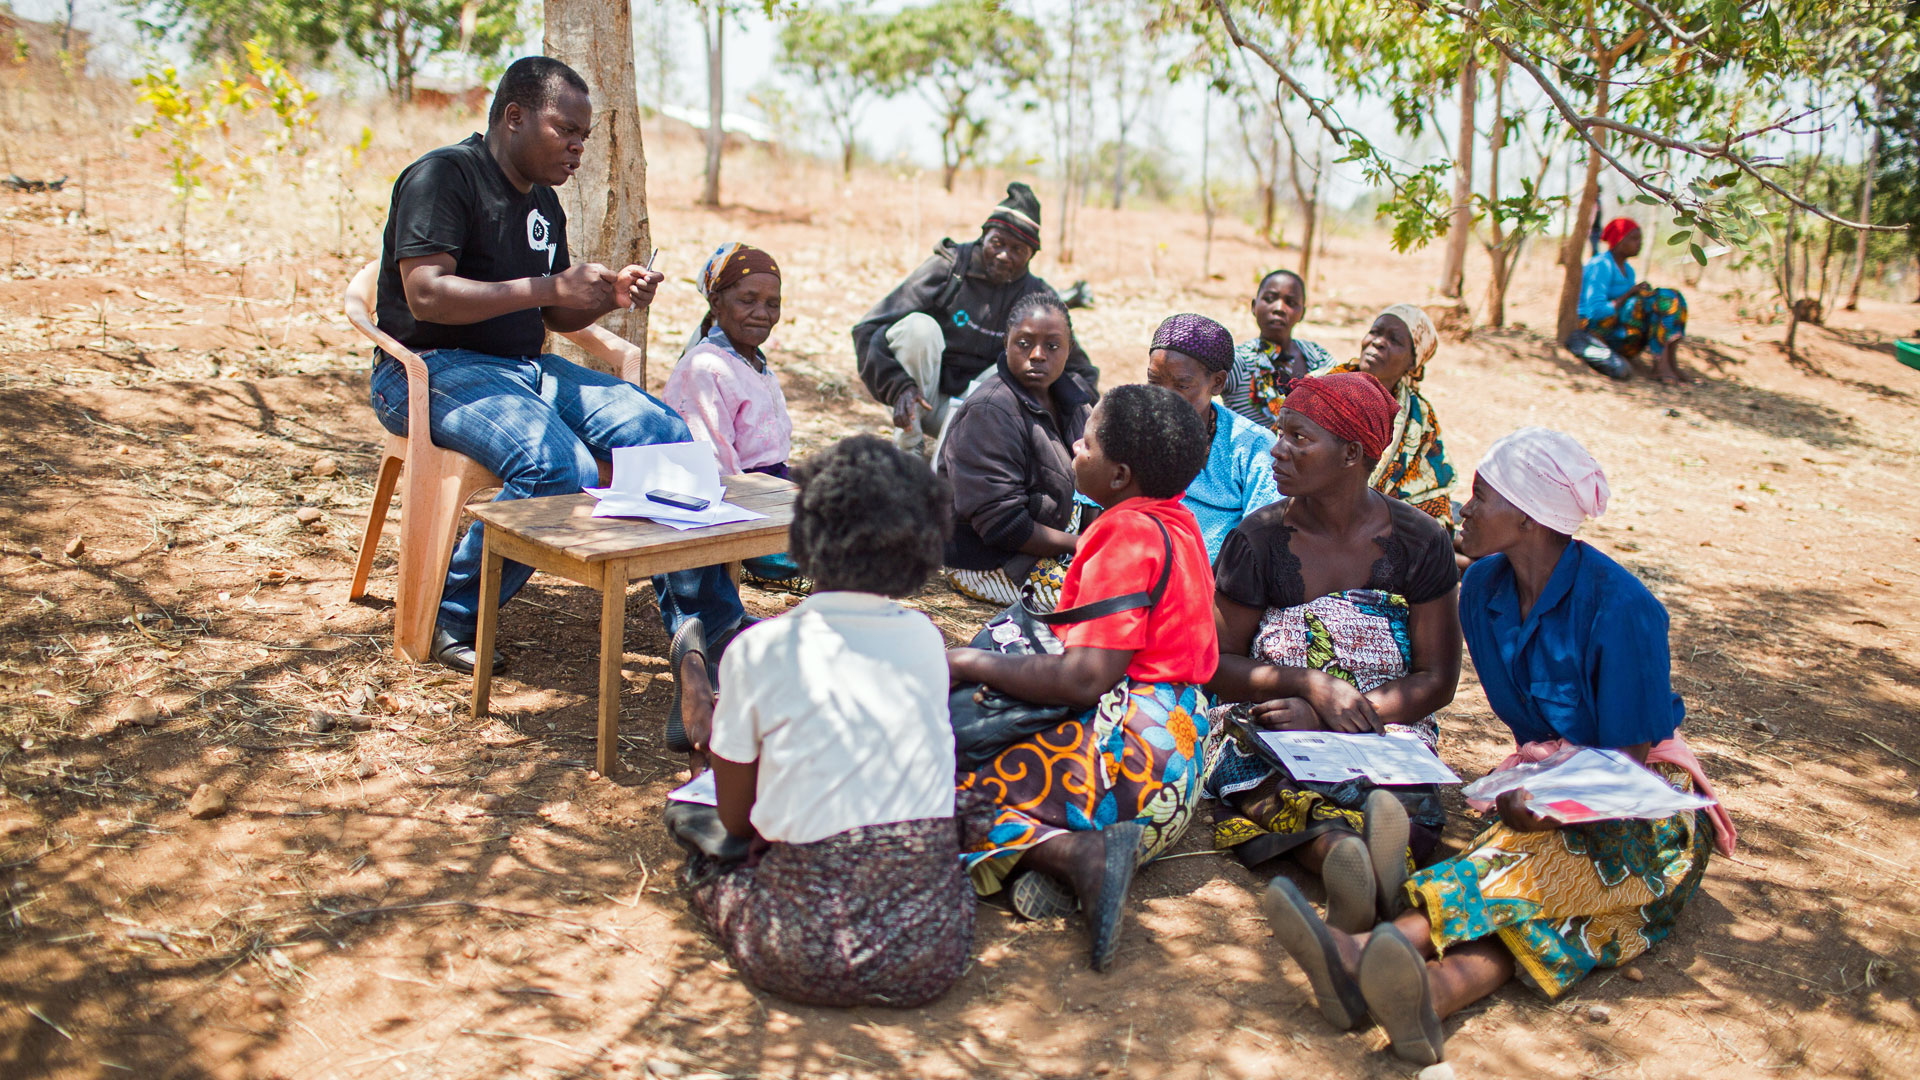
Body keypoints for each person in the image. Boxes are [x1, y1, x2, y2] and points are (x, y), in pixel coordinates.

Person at [1262, 428, 1735, 1066]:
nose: (1464, 507)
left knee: (1545, 858)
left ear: (1530, 519)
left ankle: (1364, 955)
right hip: (1551, 787)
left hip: (1642, 804)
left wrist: (1543, 799)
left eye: (1482, 498)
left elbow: (1625, 764)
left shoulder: (1623, 610)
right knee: (1552, 891)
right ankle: (1429, 994)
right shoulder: (1484, 591)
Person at [368, 56, 751, 673]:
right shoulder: (443, 177)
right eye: (565, 130)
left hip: (524, 369)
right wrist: (550, 288)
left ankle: (710, 624)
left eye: (584, 136)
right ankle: (447, 613)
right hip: (428, 368)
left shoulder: (544, 201)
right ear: (513, 117)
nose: (577, 147)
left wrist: (604, 296)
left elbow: (555, 315)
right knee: (555, 465)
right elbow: (427, 293)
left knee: (665, 436)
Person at [660, 435, 975, 1008]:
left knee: (697, 831)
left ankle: (698, 702)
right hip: (932, 954)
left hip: (798, 953)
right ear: (921, 549)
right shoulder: (926, 640)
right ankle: (700, 701)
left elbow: (737, 819)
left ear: (804, 537)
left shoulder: (762, 650)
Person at [948, 384, 1217, 970]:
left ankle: (1074, 855)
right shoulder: (1179, 524)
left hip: (1129, 775)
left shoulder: (1125, 535)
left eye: (1087, 442)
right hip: (1178, 766)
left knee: (926, 778)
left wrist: (966, 662)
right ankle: (1042, 867)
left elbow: (1083, 679)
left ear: (1119, 475)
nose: (1075, 446)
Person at [1203, 371, 1462, 935]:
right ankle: (1347, 865)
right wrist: (1305, 685)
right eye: (1279, 432)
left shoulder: (1421, 541)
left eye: (1300, 437)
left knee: (1399, 797)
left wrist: (1340, 716)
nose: (1278, 449)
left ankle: (1372, 858)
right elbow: (1217, 667)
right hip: (1274, 718)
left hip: (1385, 726)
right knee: (1270, 782)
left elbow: (1437, 679)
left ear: (1352, 453)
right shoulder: (1258, 540)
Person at [853, 182, 1099, 452]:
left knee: (1016, 363)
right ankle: (908, 448)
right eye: (997, 243)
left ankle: (954, 460)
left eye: (1018, 249)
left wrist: (1079, 421)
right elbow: (868, 328)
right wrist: (897, 386)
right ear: (983, 236)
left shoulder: (1036, 297)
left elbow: (1080, 369)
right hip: (922, 398)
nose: (1005, 255)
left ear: (1032, 255)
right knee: (919, 328)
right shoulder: (949, 269)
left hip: (979, 413)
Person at [937, 292, 1095, 609]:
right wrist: (1087, 547)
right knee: (1103, 604)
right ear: (1006, 342)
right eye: (1024, 343)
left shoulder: (1075, 400)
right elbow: (1002, 525)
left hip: (1057, 546)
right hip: (991, 560)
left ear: (1069, 349)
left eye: (1052, 346)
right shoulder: (989, 410)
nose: (1037, 354)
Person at [661, 242, 804, 588]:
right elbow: (716, 468)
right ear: (716, 303)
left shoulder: (755, 365)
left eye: (773, 304)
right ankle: (747, 560)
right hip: (738, 502)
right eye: (747, 300)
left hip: (771, 490)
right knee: (829, 546)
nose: (762, 313)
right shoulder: (706, 367)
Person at [1143, 313, 1280, 561]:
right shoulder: (1130, 428)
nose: (1163, 397)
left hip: (1223, 581)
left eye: (1182, 386)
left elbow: (1263, 534)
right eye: (1154, 381)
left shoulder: (1252, 445)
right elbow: (1095, 506)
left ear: (1217, 383)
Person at [1329, 305, 1459, 532]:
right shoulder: (1323, 387)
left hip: (1383, 524)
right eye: (1375, 332)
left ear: (1413, 361)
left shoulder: (1418, 417)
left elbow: (1430, 493)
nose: (1377, 342)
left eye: (1394, 340)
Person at [1576, 218, 1691, 385]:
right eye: (1634, 238)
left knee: (1673, 297)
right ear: (1619, 240)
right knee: (1662, 299)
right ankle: (1661, 364)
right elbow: (1595, 312)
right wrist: (1631, 294)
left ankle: (1669, 361)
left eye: (1640, 239)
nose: (1640, 243)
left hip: (1622, 331)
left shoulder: (1628, 270)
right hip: (1597, 331)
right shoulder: (1601, 265)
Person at [1221, 269, 1334, 430]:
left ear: (1302, 313)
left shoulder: (1316, 358)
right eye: (1269, 299)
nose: (1279, 308)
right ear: (1254, 306)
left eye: (1291, 302)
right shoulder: (1239, 361)